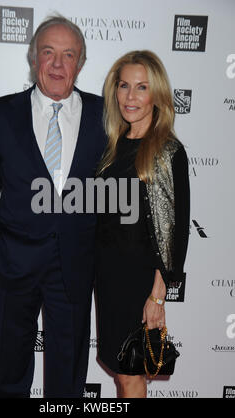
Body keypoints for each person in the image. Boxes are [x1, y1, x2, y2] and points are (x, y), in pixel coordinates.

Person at [0, 15, 106, 398]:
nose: (58, 64)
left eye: (69, 55)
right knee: (9, 372)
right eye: (49, 53)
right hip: (11, 263)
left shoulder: (107, 116)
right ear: (34, 59)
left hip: (76, 268)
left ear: (80, 63)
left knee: (68, 381)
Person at [95, 50, 190, 398]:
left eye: (141, 87)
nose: (130, 97)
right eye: (123, 86)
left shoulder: (166, 151)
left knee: (132, 373)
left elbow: (175, 233)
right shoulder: (113, 146)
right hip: (107, 276)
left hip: (139, 281)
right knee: (121, 373)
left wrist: (157, 296)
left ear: (158, 95)